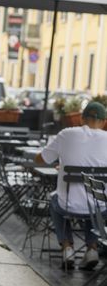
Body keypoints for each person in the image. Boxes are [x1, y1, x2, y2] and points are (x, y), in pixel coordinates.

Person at [35, 101, 107, 269]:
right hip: (101, 207)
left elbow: (41, 159)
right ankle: (92, 249)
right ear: (104, 122)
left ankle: (67, 248)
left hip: (67, 205)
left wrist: (65, 163)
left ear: (82, 119)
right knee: (93, 203)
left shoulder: (66, 134)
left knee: (55, 201)